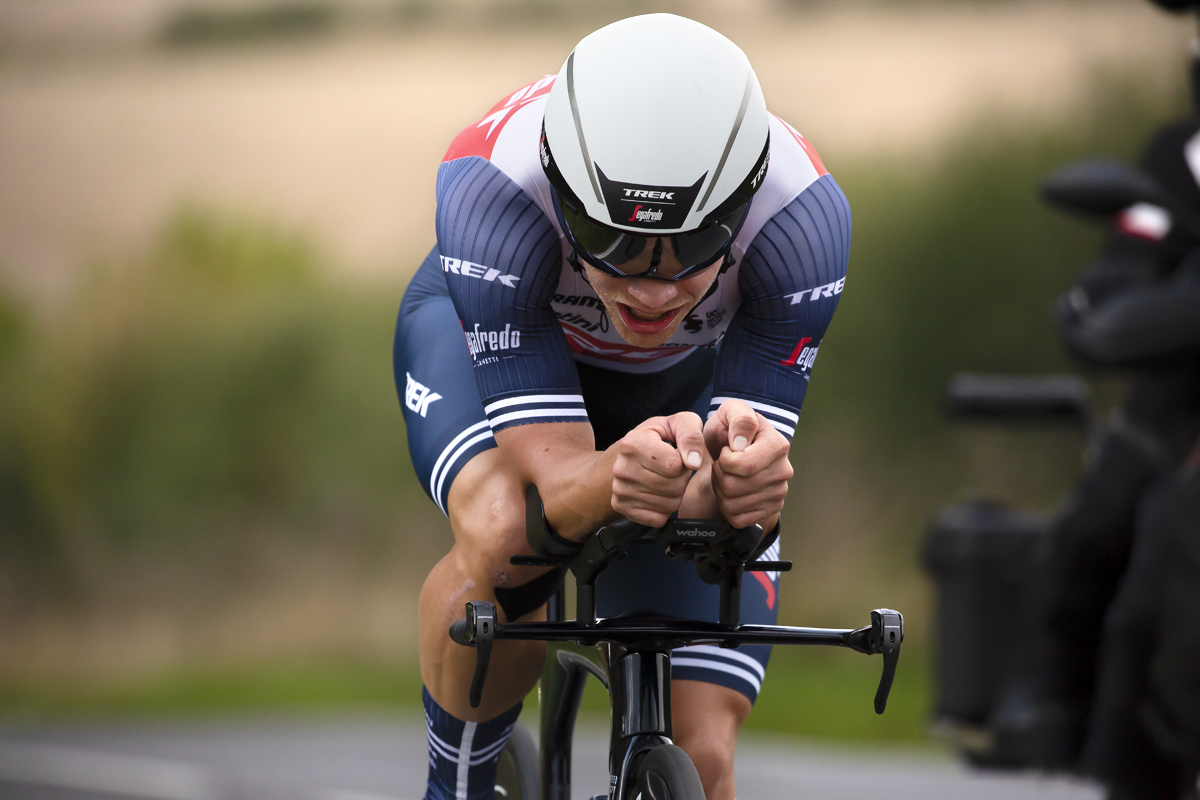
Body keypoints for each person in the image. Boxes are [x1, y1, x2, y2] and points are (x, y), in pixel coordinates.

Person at [393, 14, 850, 800]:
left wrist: (742, 485)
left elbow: (739, 494)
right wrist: (617, 477)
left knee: (701, 757)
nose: (649, 288)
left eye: (692, 249)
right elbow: (554, 484)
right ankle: (456, 786)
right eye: (615, 243)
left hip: (679, 388)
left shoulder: (801, 223)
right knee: (508, 537)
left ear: (742, 207)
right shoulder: (492, 186)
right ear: (562, 189)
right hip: (496, 352)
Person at [983, 3, 1200, 794]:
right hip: (1176, 406)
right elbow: (1118, 281)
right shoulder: (1178, 158)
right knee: (1120, 523)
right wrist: (1120, 315)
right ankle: (1053, 702)